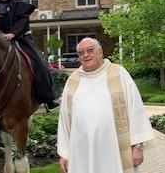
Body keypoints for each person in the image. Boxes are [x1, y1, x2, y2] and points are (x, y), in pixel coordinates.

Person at [57, 37, 155, 173]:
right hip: (81, 152)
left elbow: (136, 109)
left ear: (100, 52)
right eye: (81, 52)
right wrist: (64, 153)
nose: (85, 55)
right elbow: (64, 120)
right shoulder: (73, 80)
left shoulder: (118, 73)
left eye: (90, 50)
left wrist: (138, 146)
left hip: (114, 150)